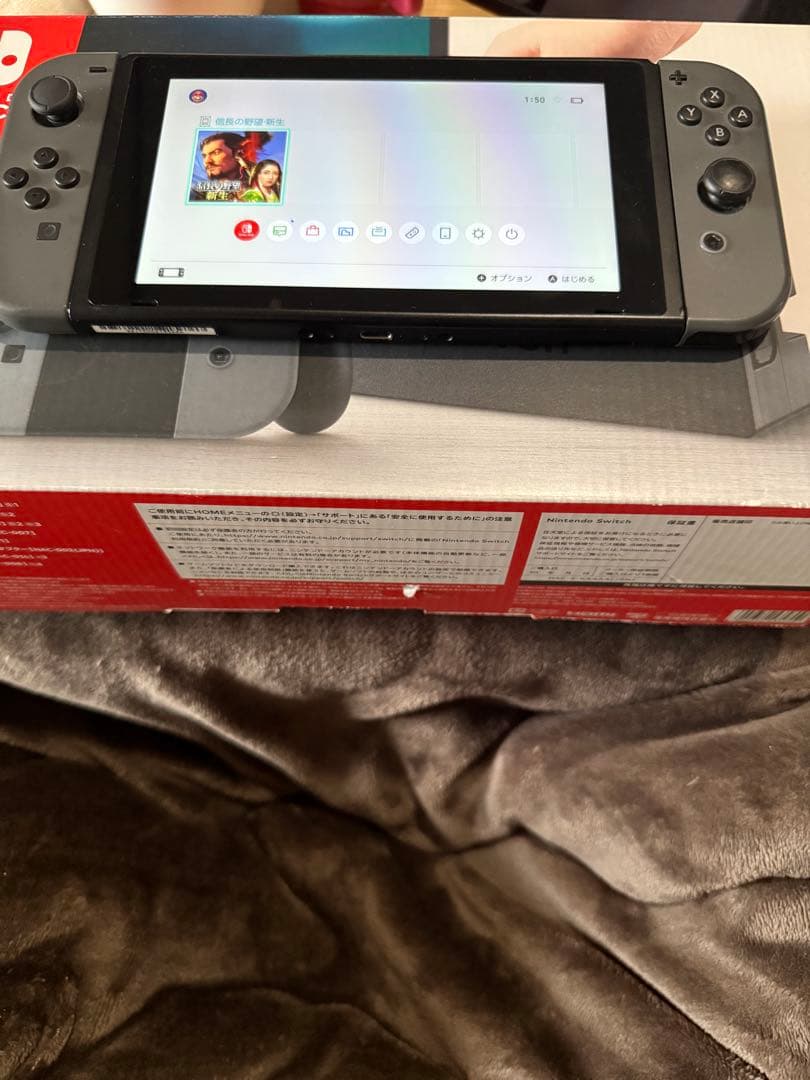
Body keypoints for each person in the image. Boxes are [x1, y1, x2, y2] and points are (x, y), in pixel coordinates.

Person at [190, 133, 249, 201]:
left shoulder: (257, 186)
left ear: (240, 154)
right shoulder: (198, 195)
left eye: (216, 152)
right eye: (204, 156)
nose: (207, 161)